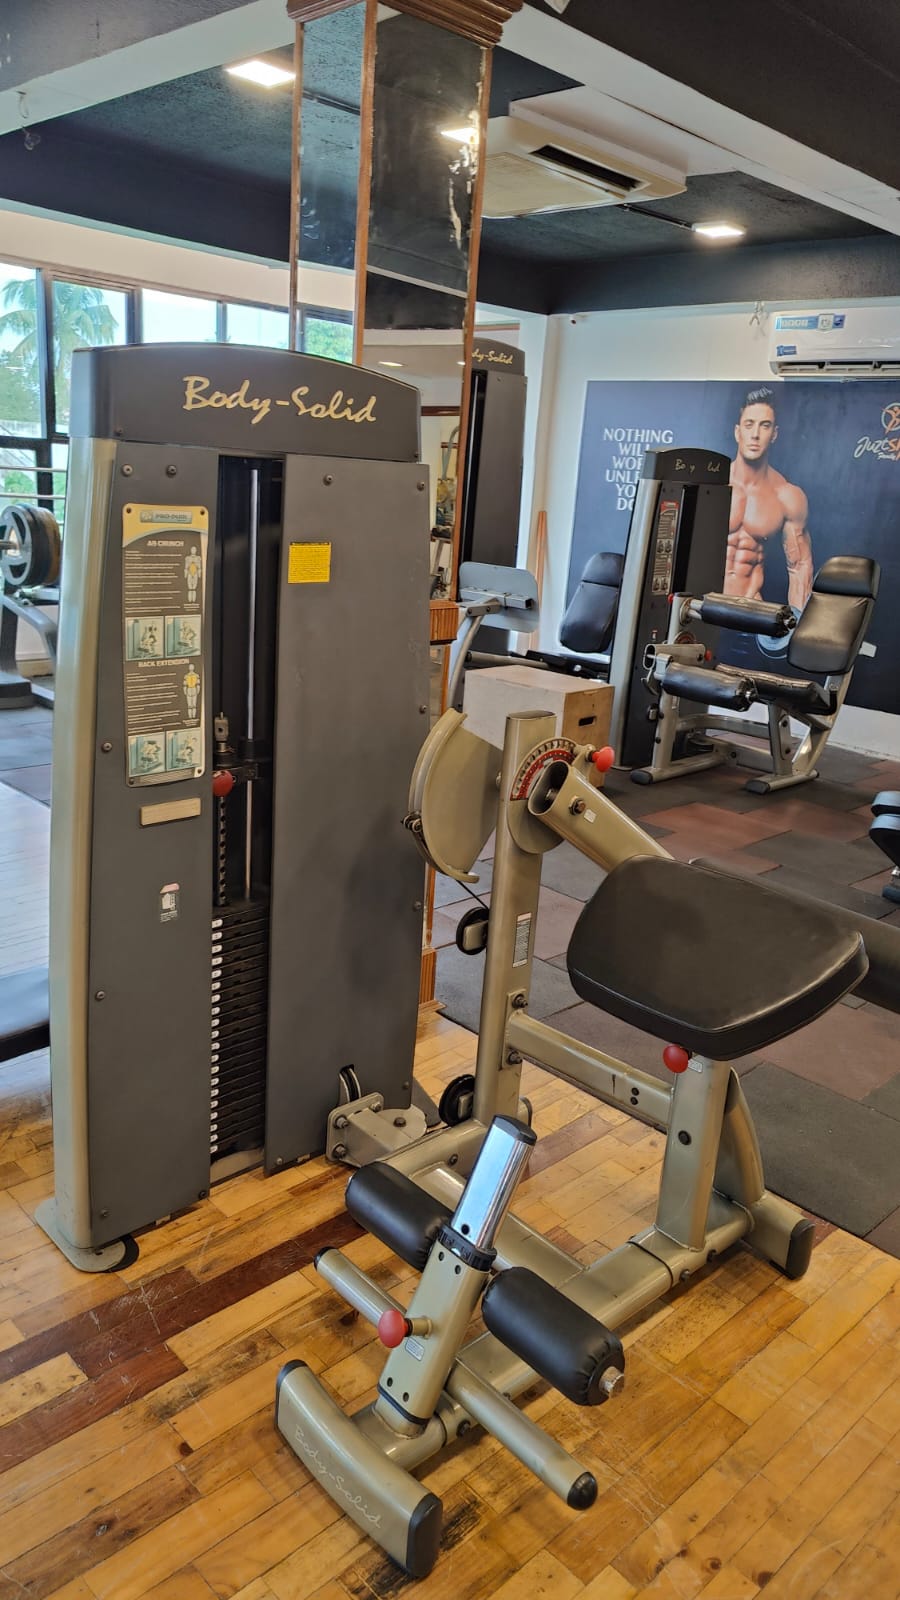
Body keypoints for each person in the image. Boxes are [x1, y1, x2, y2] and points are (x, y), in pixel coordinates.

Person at [725, 387, 813, 611]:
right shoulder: (713, 484)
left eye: (765, 426)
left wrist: (797, 632)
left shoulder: (787, 496)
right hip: (703, 608)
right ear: (738, 432)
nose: (755, 434)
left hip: (750, 610)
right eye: (749, 424)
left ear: (774, 434)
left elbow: (800, 568)